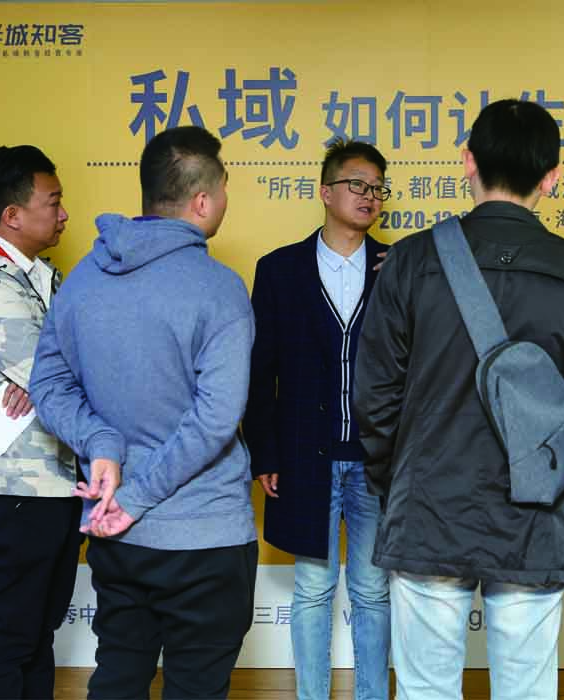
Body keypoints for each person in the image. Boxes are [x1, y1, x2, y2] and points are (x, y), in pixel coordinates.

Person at [353, 99, 564, 700]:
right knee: (526, 689)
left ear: (468, 160)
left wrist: (399, 481)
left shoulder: (411, 261)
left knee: (425, 690)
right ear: (551, 177)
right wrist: (562, 493)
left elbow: (373, 396)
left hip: (429, 507)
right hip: (536, 512)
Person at [29, 125, 257, 699]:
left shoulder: (83, 278)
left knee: (119, 678)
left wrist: (101, 443)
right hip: (203, 536)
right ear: (202, 201)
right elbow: (215, 419)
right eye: (223, 189)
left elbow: (48, 384)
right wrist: (135, 497)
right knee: (196, 688)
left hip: (117, 535)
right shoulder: (219, 289)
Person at [0, 144, 110, 699]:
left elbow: (55, 371)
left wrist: (46, 376)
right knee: (16, 628)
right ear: (12, 215)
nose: (64, 214)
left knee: (41, 625)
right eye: (53, 202)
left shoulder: (34, 273)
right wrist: (45, 376)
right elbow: (54, 373)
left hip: (54, 475)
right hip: (21, 481)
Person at [243, 139, 391, 700]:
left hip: (377, 460)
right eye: (357, 184)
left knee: (373, 590)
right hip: (306, 455)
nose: (368, 196)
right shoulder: (280, 270)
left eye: (377, 188)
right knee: (312, 588)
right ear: (326, 192)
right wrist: (265, 452)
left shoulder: (395, 269)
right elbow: (261, 371)